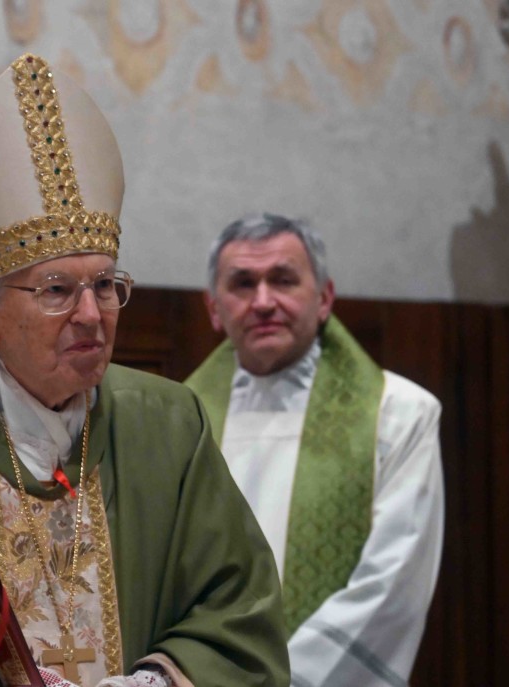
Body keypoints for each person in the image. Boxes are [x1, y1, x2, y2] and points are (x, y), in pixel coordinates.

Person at [0, 54, 289, 686]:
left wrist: (153, 683)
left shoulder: (171, 422)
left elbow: (241, 609)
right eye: (56, 291)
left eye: (105, 285)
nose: (91, 315)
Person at [185, 213, 445, 686]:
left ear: (324, 298)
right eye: (243, 284)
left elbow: (393, 585)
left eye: (283, 280)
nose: (264, 302)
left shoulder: (398, 414)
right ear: (214, 309)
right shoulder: (181, 421)